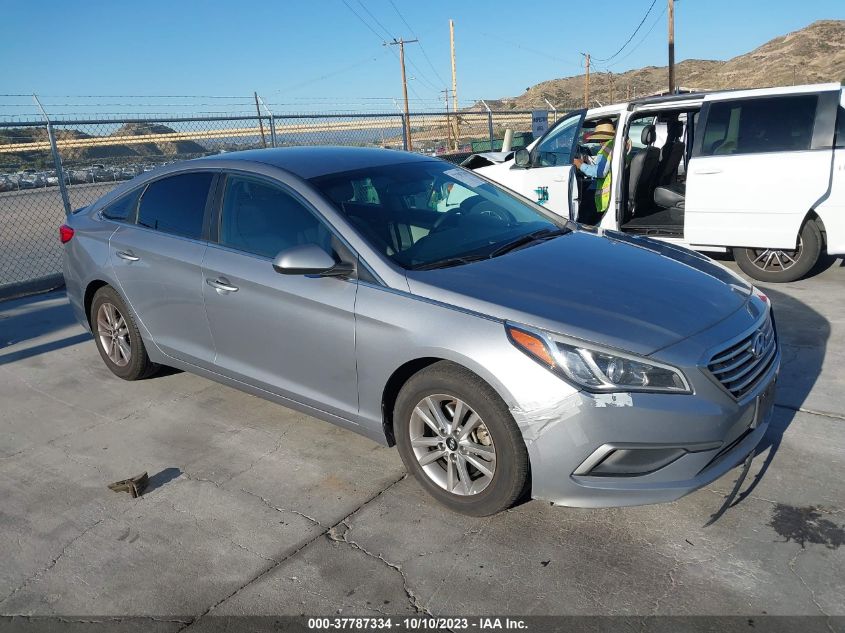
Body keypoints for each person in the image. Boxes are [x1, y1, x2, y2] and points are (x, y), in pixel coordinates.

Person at [572, 119, 620, 221]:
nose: (598, 142)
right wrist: (588, 163)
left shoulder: (606, 150)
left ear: (601, 138)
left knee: (583, 218)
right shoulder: (615, 145)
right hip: (613, 194)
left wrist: (580, 165)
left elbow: (599, 172)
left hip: (605, 198)